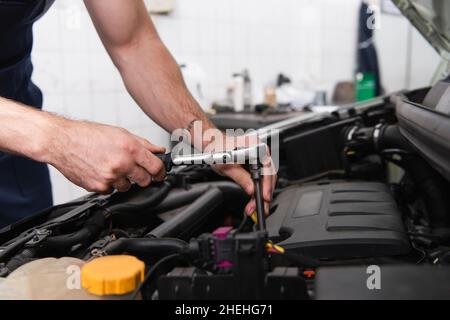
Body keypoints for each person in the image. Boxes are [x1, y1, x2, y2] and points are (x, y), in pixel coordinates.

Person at [0, 0, 276, 227]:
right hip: (32, 135)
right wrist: (58, 138)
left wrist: (209, 139)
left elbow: (133, 43)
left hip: (18, 156)